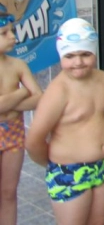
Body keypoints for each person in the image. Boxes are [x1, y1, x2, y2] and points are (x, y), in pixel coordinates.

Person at [26, 18, 104, 225]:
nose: (78, 62)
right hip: (68, 171)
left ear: (94, 52)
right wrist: (54, 165)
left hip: (101, 167)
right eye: (70, 56)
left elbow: (103, 115)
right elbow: (34, 140)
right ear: (61, 55)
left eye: (85, 54)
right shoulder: (58, 92)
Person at [0, 12, 42, 225]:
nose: (12, 37)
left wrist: (7, 103)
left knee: (9, 192)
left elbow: (39, 98)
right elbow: (30, 95)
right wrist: (22, 93)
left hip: (14, 132)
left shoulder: (18, 65)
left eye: (12, 31)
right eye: (4, 33)